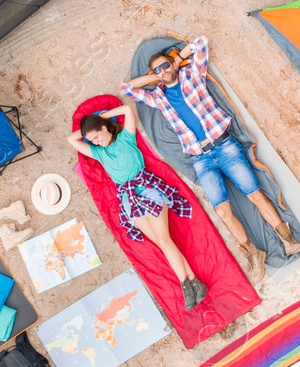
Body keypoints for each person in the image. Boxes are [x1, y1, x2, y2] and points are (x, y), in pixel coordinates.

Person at [123, 35, 300, 279]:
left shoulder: (193, 76)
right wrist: (157, 76)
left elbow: (201, 42)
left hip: (225, 147)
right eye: (157, 70)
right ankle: (253, 254)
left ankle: (288, 240)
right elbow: (126, 88)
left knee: (255, 195)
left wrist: (177, 60)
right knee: (222, 211)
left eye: (165, 65)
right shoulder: (158, 97)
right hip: (200, 159)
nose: (162, 71)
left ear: (174, 64)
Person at [67, 103, 208, 310]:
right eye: (91, 140)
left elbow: (126, 110)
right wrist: (88, 131)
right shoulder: (99, 153)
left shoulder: (126, 137)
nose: (95, 142)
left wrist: (104, 115)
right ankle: (195, 283)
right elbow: (71, 140)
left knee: (164, 239)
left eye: (96, 136)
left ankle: (186, 285)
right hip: (128, 199)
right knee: (163, 243)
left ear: (104, 128)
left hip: (147, 188)